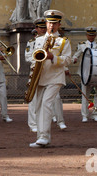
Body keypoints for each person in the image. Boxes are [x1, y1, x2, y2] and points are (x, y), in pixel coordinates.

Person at [28, 9, 72, 148]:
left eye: (54, 23)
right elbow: (33, 58)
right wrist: (32, 73)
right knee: (39, 106)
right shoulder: (38, 40)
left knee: (47, 104)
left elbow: (68, 60)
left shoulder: (63, 41)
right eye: (49, 23)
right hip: (40, 76)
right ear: (46, 23)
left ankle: (44, 136)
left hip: (55, 77)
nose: (51, 26)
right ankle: (40, 136)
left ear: (59, 24)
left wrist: (53, 57)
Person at [72, 26, 97, 122]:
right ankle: (85, 115)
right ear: (86, 35)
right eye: (89, 35)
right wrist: (74, 59)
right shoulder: (81, 45)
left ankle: (95, 114)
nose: (91, 37)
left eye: (93, 35)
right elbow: (76, 55)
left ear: (95, 35)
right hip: (85, 73)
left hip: (96, 73)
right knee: (85, 93)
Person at [25, 18, 47, 132]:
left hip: (46, 72)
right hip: (35, 70)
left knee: (44, 99)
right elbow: (27, 56)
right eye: (40, 27)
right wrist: (37, 61)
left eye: (44, 27)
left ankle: (41, 123)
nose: (43, 29)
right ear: (36, 29)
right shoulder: (31, 42)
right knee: (33, 99)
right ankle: (33, 124)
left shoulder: (50, 40)